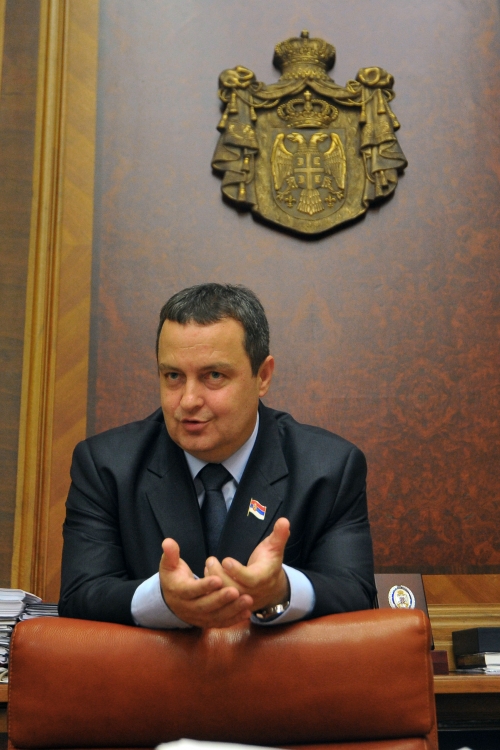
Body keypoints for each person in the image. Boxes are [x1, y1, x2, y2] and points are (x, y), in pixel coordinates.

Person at [59, 283, 375, 628]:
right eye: (173, 376)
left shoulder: (328, 468)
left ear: (263, 376)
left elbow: (355, 592)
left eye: (213, 376)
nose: (188, 400)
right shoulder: (106, 466)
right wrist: (161, 599)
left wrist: (281, 590)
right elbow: (80, 595)